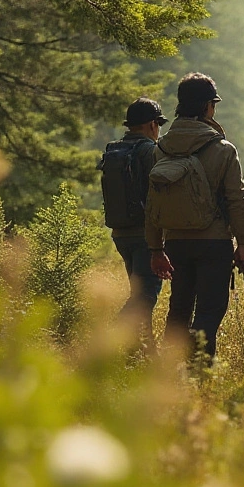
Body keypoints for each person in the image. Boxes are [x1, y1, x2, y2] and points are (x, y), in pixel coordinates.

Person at [147, 73, 244, 360]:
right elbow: (236, 200)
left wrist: (156, 248)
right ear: (208, 106)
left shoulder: (161, 150)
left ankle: (170, 374)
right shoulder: (222, 149)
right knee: (210, 310)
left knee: (179, 308)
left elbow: (153, 204)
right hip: (213, 242)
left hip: (175, 242)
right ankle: (200, 372)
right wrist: (242, 244)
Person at [103, 98, 167, 338]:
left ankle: (142, 353)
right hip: (145, 235)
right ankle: (107, 340)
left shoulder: (115, 149)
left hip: (121, 233)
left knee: (138, 292)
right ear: (152, 124)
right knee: (145, 296)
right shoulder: (150, 151)